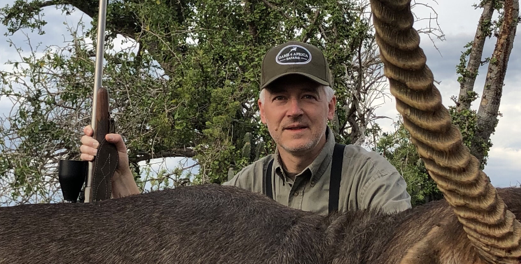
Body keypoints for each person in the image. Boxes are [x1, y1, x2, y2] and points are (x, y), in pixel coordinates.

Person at [79, 41, 411, 215]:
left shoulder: (371, 178)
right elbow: (180, 251)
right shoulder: (245, 186)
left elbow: (401, 263)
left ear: (331, 107)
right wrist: (120, 176)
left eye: (308, 97)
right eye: (280, 98)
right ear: (262, 112)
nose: (294, 111)